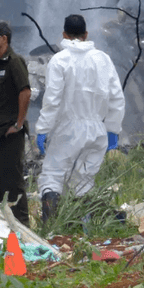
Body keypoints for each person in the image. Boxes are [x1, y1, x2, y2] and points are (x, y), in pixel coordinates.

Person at [34, 15, 125, 222]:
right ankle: (86, 231)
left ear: (64, 34)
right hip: (97, 130)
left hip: (67, 129)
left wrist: (42, 129)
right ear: (86, 35)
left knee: (52, 176)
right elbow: (117, 97)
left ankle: (51, 231)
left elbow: (52, 100)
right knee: (83, 181)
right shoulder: (103, 59)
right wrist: (113, 129)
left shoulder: (59, 60)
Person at [0, 20, 31, 226]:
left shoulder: (14, 62)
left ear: (4, 39)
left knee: (13, 183)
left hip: (10, 132)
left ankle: (22, 227)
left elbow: (25, 91)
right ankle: (4, 226)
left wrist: (18, 124)